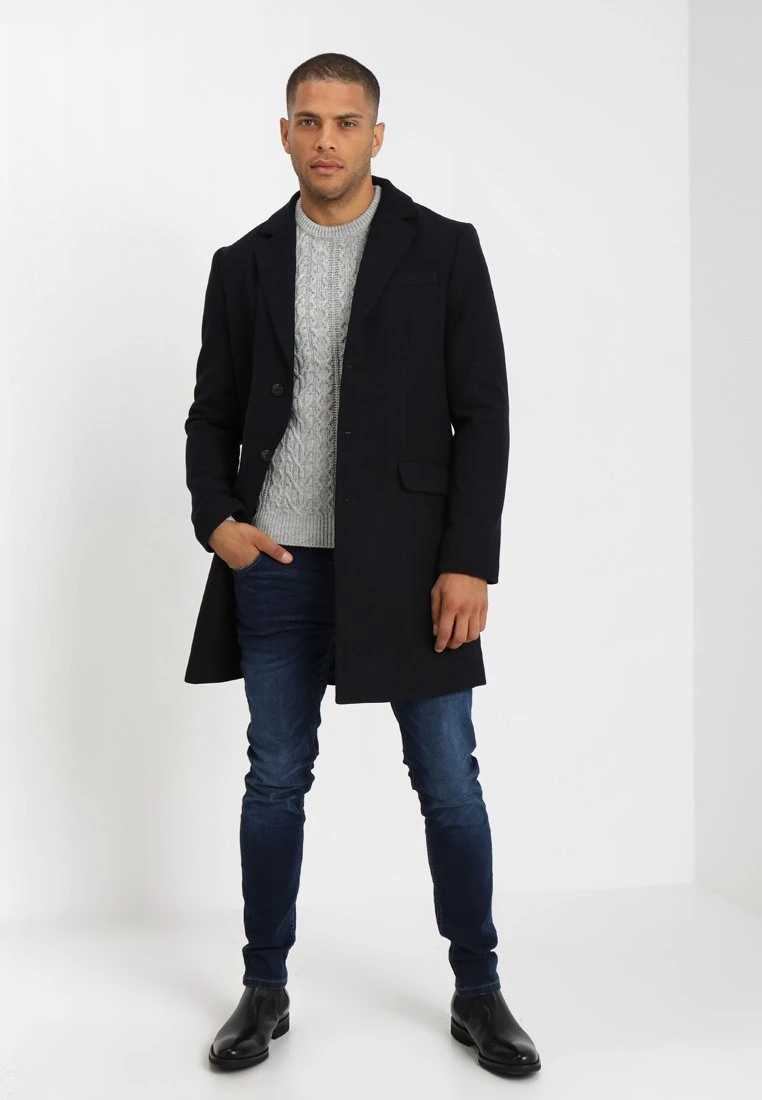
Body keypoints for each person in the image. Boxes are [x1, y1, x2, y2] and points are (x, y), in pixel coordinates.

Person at [185, 51, 541, 1078]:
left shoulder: (444, 249)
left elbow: (483, 414)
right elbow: (211, 411)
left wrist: (469, 561)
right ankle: (263, 988)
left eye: (346, 122)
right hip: (277, 561)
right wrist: (219, 522)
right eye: (309, 120)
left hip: (412, 565)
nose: (327, 139)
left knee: (449, 780)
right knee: (274, 779)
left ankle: (479, 990)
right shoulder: (244, 261)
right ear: (285, 133)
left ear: (377, 135)